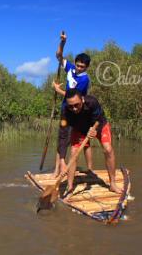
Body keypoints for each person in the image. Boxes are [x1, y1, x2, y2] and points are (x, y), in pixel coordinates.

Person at [59, 88, 123, 194]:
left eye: (76, 105)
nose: (74, 109)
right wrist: (62, 160)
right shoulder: (65, 111)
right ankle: (69, 187)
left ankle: (112, 184)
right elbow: (63, 134)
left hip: (99, 125)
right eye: (71, 106)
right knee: (73, 153)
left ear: (82, 100)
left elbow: (99, 118)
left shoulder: (92, 102)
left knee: (108, 149)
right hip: (79, 128)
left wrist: (94, 130)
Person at [51, 32, 93, 178]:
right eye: (78, 65)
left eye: (82, 66)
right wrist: (63, 42)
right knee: (62, 139)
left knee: (78, 140)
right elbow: (58, 56)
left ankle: (88, 169)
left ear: (87, 67)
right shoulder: (70, 69)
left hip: (78, 112)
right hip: (65, 111)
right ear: (75, 63)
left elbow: (74, 98)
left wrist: (58, 90)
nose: (79, 68)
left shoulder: (84, 80)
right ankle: (57, 169)